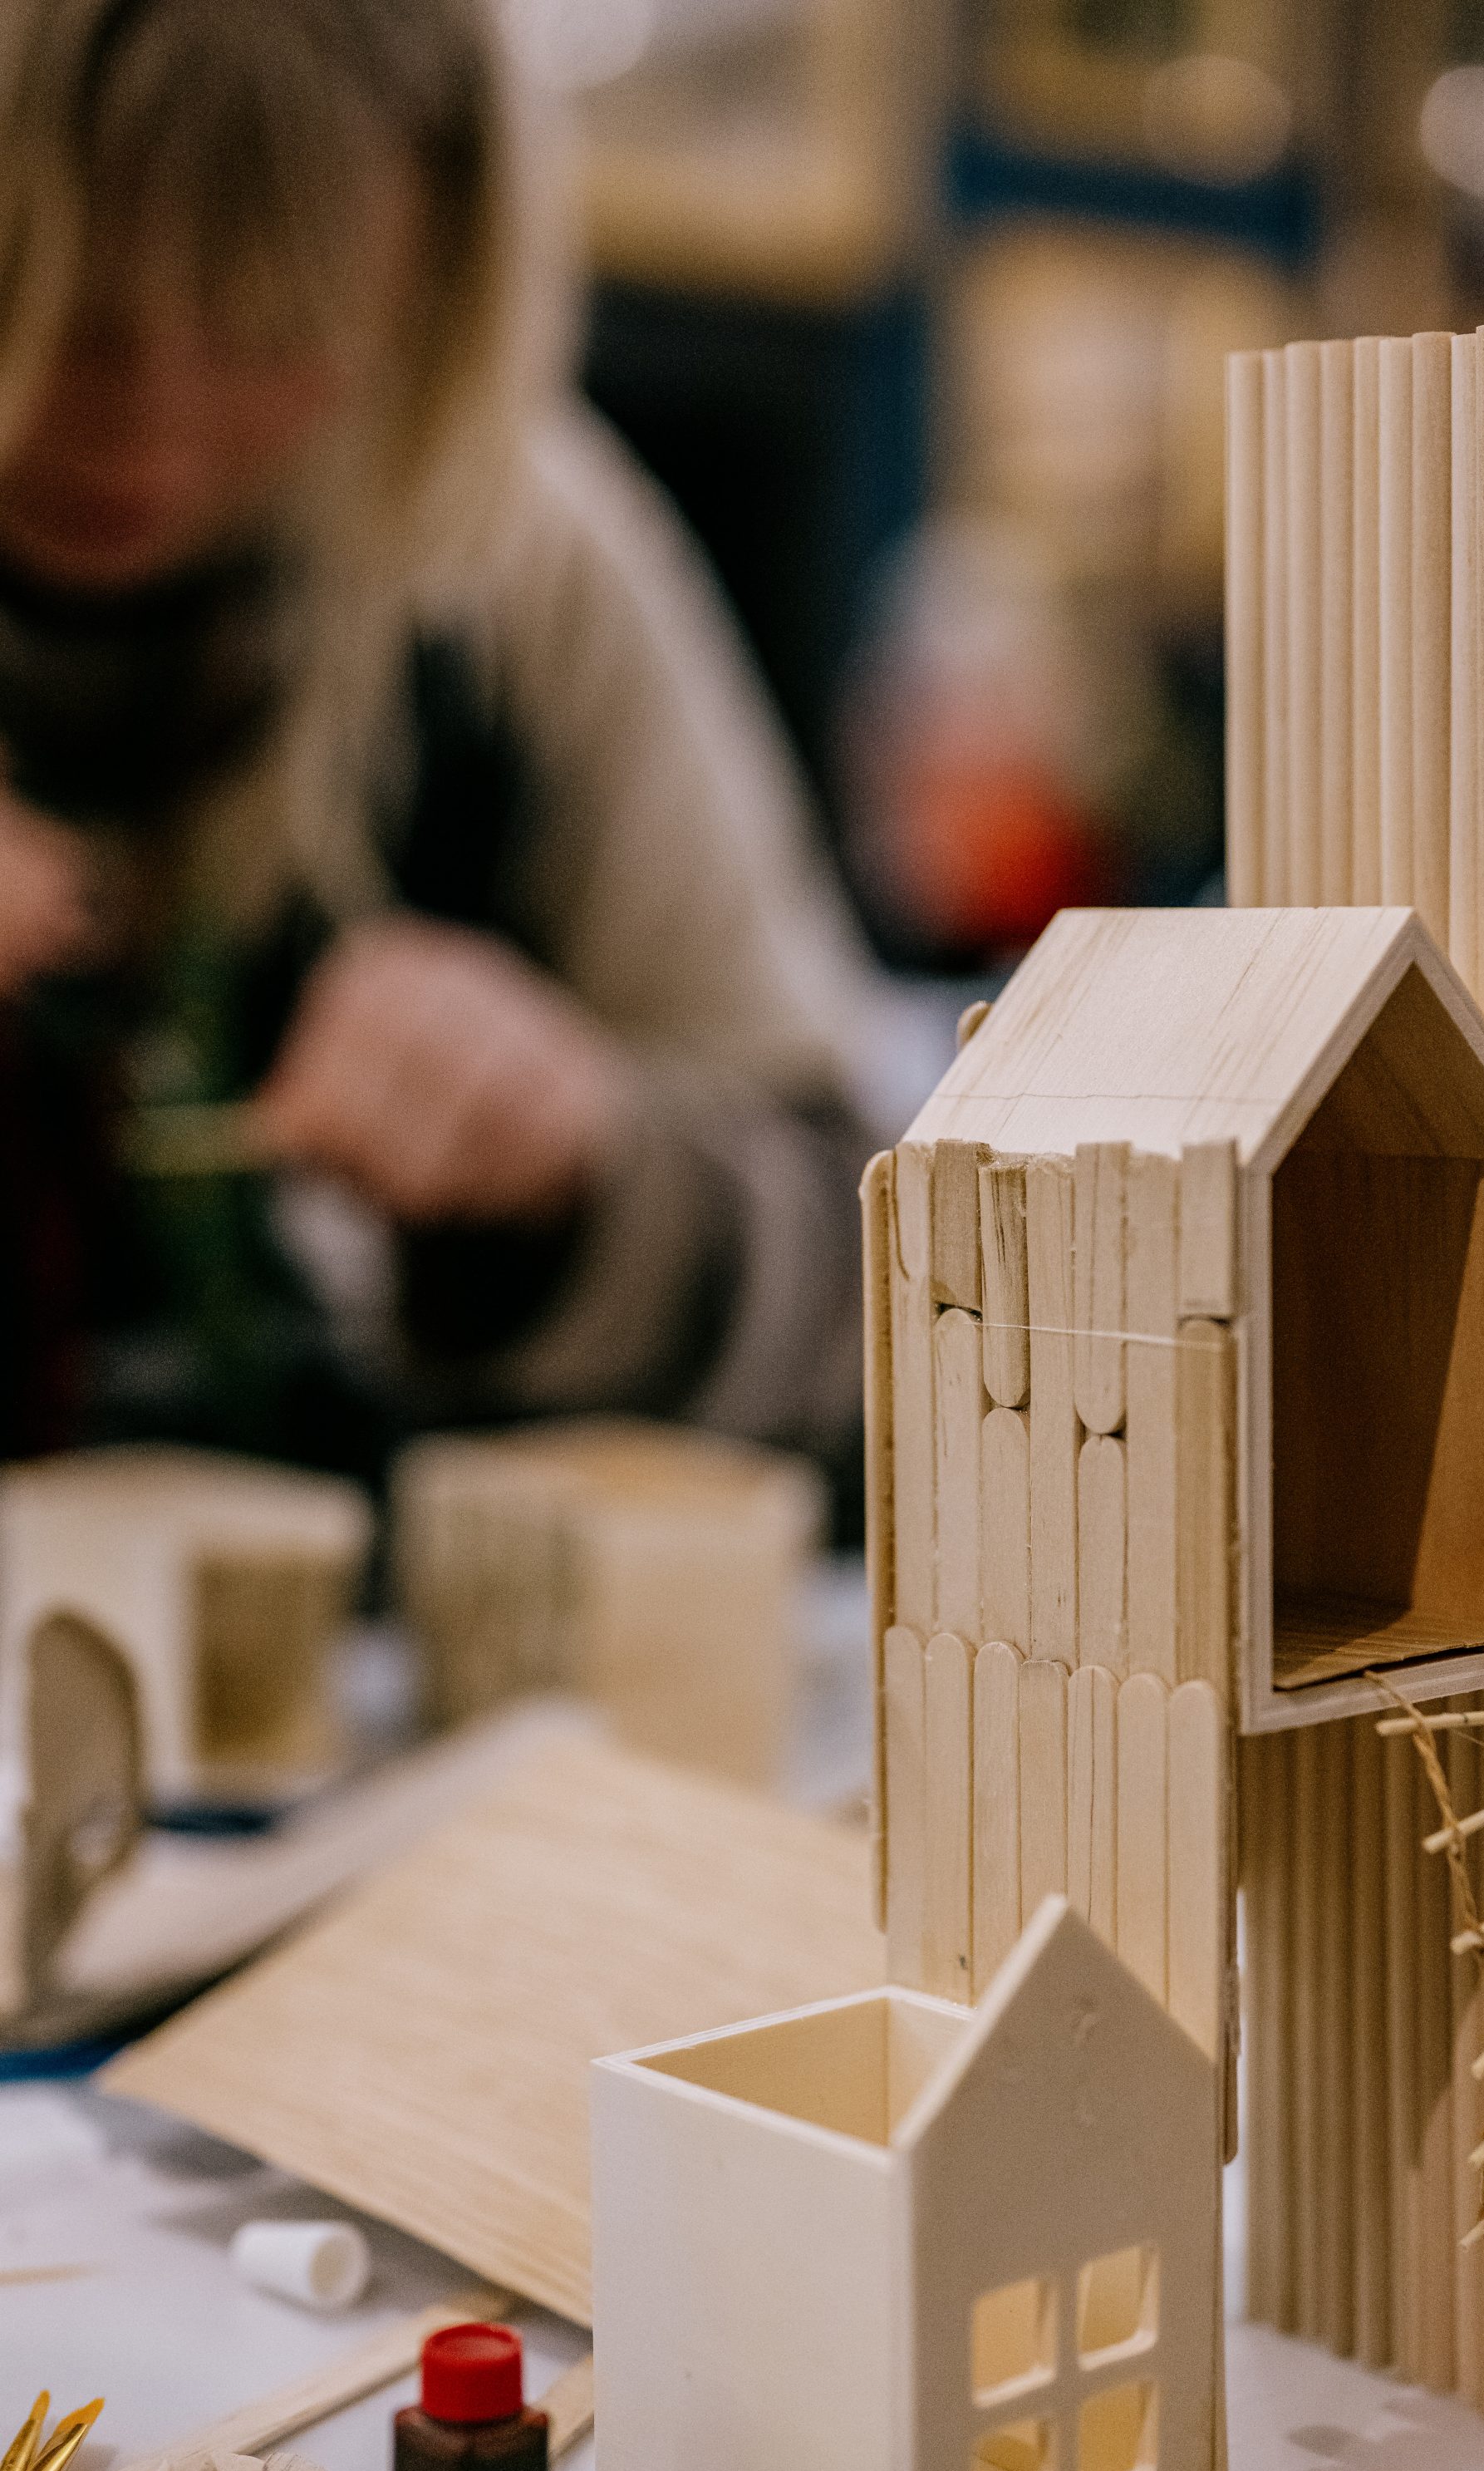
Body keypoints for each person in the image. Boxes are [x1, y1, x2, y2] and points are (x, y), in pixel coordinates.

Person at [0, 0, 885, 1506]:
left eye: (276, 322)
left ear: (429, 280)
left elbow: (896, 1318)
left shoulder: (520, 567)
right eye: (45, 294)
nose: (150, 421)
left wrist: (586, 1186)